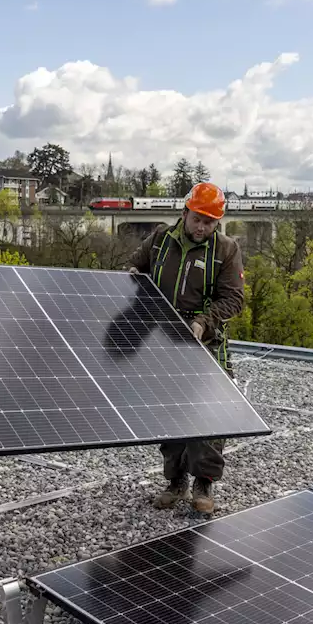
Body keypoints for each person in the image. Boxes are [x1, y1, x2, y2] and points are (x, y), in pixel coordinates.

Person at [127, 181, 245, 514]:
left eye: (210, 222)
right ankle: (175, 481)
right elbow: (135, 269)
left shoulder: (225, 250)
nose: (202, 227)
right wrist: (134, 278)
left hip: (206, 342)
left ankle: (203, 483)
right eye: (197, 219)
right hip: (164, 341)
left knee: (209, 414)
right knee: (170, 412)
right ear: (185, 212)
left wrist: (204, 321)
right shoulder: (161, 241)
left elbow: (234, 298)